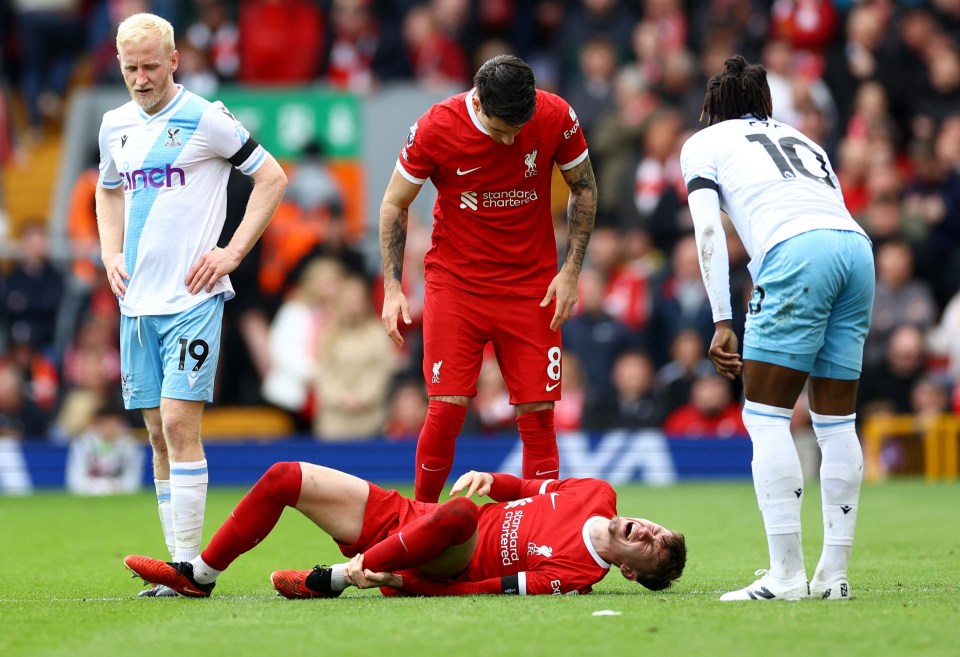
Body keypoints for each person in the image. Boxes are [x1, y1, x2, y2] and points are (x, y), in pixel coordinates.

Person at [95, 13, 287, 597]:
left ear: (175, 60)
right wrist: (109, 253)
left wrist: (230, 253)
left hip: (192, 298)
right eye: (131, 68)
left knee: (179, 424)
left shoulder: (206, 117)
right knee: (155, 433)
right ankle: (176, 565)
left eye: (152, 65)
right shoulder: (113, 125)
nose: (141, 78)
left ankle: (186, 570)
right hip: (137, 304)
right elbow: (106, 189)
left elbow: (272, 178)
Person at [680, 55, 875, 601]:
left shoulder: (706, 142)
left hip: (796, 253)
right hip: (855, 249)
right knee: (837, 424)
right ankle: (833, 578)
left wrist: (722, 318)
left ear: (712, 110)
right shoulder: (805, 139)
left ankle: (786, 576)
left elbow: (707, 229)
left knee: (765, 416)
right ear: (766, 104)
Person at [379, 54, 597, 502]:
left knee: (538, 413)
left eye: (519, 128)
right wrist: (392, 287)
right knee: (446, 409)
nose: (511, 138)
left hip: (532, 286)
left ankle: (542, 531)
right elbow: (393, 203)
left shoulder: (556, 114)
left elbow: (585, 188)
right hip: (457, 284)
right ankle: (418, 522)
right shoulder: (438, 126)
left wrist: (571, 270)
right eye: (502, 130)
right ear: (477, 104)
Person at [123, 462, 686, 598]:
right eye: (657, 529)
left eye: (650, 548)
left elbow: (483, 590)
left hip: (449, 555)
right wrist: (494, 477)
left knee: (461, 515)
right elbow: (533, 491)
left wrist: (409, 583)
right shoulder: (597, 493)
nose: (646, 531)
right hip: (412, 521)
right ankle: (199, 574)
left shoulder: (577, 575)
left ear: (631, 571)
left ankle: (341, 576)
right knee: (284, 478)